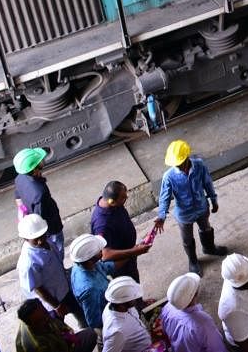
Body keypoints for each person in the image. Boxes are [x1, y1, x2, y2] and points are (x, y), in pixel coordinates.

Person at [154, 140, 230, 275]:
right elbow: (164, 197)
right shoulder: (169, 176)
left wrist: (214, 199)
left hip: (201, 207)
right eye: (176, 164)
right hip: (184, 214)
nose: (178, 166)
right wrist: (161, 215)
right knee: (187, 239)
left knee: (206, 228)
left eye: (180, 162)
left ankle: (209, 248)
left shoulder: (200, 166)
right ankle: (193, 261)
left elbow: (208, 183)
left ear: (187, 158)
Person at [17, 214, 85, 327]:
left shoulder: (47, 241)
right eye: (36, 239)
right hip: (51, 302)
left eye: (42, 236)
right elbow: (38, 289)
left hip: (64, 289)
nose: (40, 241)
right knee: (59, 329)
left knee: (81, 314)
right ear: (25, 239)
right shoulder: (28, 262)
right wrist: (57, 306)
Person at [90, 181, 151, 280]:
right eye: (123, 197)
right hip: (120, 266)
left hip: (130, 255)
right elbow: (106, 255)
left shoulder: (114, 203)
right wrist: (134, 251)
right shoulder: (102, 225)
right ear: (112, 202)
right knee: (129, 286)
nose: (126, 198)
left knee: (135, 279)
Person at [14, 147, 64, 255]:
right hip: (52, 229)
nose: (43, 161)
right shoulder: (40, 193)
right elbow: (40, 217)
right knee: (57, 250)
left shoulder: (19, 178)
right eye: (40, 161)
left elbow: (18, 199)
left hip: (34, 216)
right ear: (34, 169)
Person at [161, 272, 229, 352]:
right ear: (194, 296)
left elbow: (166, 333)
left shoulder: (167, 308)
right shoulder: (203, 323)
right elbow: (217, 348)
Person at [15, 298, 97, 352]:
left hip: (62, 343)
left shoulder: (33, 315)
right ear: (31, 325)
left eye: (45, 313)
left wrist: (67, 334)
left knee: (93, 333)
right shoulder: (37, 346)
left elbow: (58, 325)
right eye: (40, 320)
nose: (47, 319)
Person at [68, 235, 114, 330]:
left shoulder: (81, 264)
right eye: (99, 251)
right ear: (90, 260)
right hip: (108, 324)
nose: (102, 251)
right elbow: (94, 321)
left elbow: (106, 267)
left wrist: (132, 253)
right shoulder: (89, 289)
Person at [102, 276, 152, 352]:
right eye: (132, 299)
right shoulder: (117, 332)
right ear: (122, 305)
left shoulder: (113, 304)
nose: (135, 299)